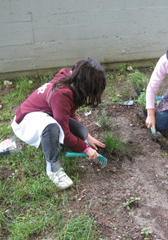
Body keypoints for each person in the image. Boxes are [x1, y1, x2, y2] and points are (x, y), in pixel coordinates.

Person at [11, 57, 107, 190]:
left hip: (45, 114)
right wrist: (84, 148)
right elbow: (65, 131)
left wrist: (87, 138)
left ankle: (56, 141)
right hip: (25, 121)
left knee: (82, 133)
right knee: (51, 127)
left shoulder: (73, 81)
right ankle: (53, 168)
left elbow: (68, 112)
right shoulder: (62, 94)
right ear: (86, 85)